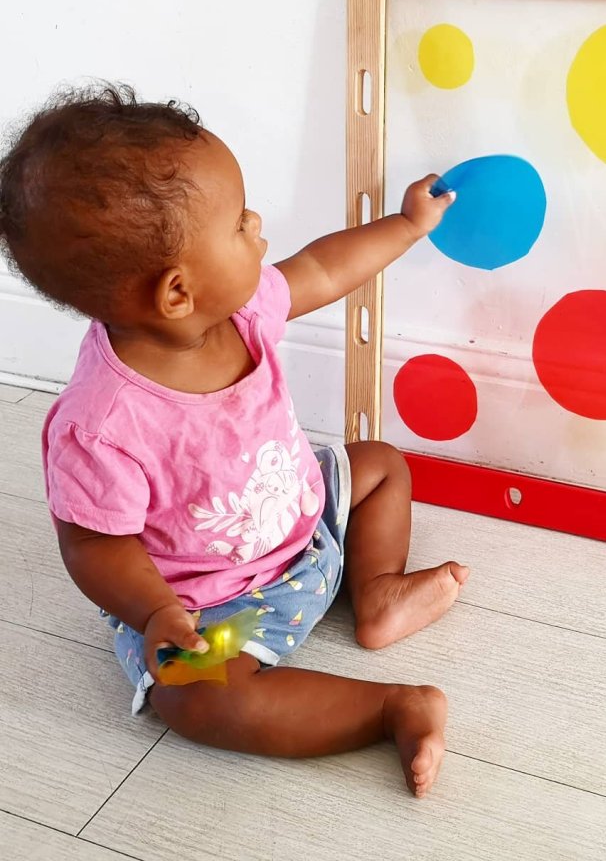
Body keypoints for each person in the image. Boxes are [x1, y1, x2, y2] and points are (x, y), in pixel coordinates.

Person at [0, 84, 467, 797]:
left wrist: (406, 227)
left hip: (306, 520)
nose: (257, 224)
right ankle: (390, 708)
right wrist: (158, 614)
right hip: (216, 604)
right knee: (193, 695)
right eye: (238, 224)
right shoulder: (100, 425)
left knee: (379, 464)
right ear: (177, 292)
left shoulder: (240, 310)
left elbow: (321, 269)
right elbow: (94, 544)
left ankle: (376, 593)